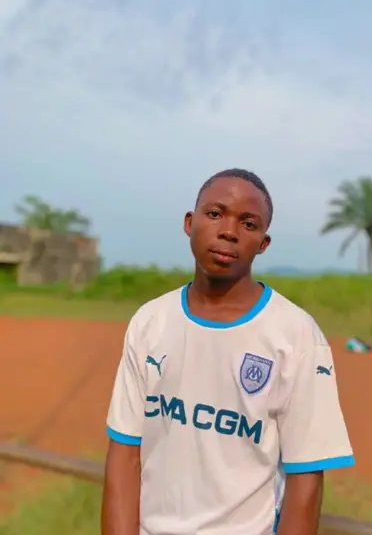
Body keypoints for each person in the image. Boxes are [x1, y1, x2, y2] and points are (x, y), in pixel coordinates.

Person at [101, 168, 355, 535]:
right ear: (190, 223)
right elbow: (125, 454)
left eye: (249, 224)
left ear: (263, 244)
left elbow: (306, 480)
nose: (229, 232)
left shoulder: (297, 336)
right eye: (215, 214)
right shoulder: (150, 322)